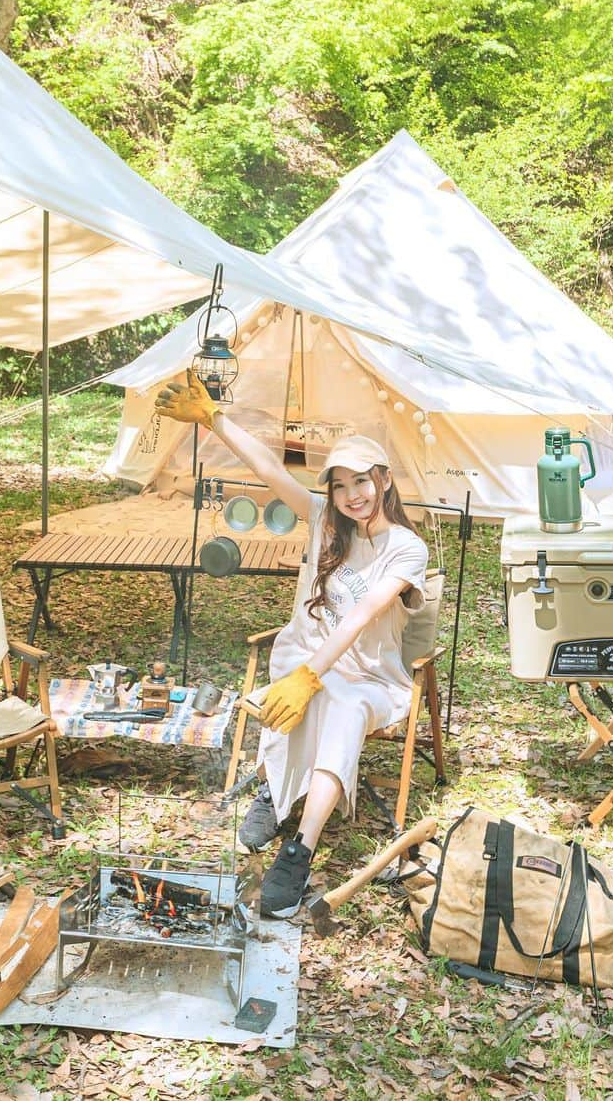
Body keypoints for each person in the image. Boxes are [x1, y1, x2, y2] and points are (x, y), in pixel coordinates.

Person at [155, 370, 428, 918]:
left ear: (385, 480)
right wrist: (215, 419)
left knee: (340, 706)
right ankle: (274, 789)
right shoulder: (325, 521)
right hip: (306, 656)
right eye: (340, 485)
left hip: (368, 678)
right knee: (300, 693)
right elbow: (268, 468)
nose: (352, 496)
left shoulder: (406, 548)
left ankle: (299, 847)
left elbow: (366, 614)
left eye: (362, 482)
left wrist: (312, 679)